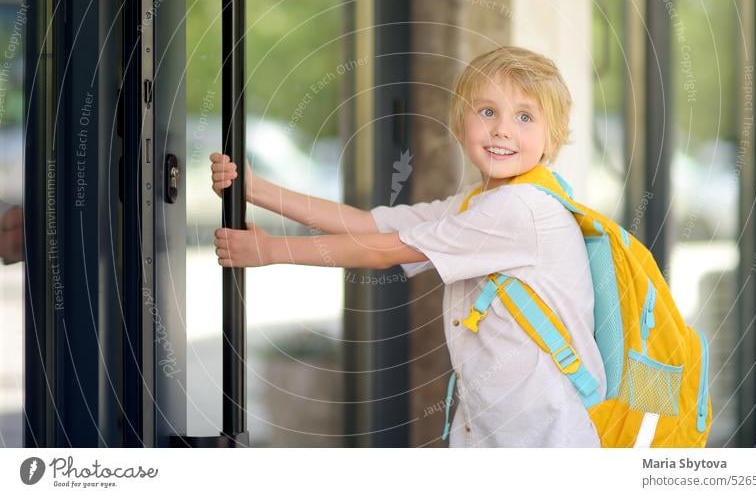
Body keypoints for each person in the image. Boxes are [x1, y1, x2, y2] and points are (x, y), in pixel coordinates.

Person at [209, 46, 605, 447]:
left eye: (524, 117)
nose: (503, 129)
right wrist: (254, 189)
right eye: (487, 112)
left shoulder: (520, 208)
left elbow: (381, 251)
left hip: (546, 441)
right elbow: (366, 224)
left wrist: (272, 251)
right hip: (495, 435)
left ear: (552, 135)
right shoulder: (475, 202)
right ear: (458, 123)